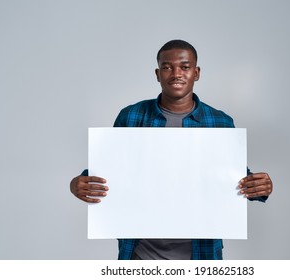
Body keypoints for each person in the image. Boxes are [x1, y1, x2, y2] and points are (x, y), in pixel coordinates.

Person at [70, 39, 273, 260]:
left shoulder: (219, 121)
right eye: (167, 67)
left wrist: (260, 188)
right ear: (157, 74)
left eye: (185, 67)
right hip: (142, 252)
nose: (176, 73)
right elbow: (113, 170)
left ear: (196, 73)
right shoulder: (131, 116)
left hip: (200, 253)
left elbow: (235, 179)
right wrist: (78, 183)